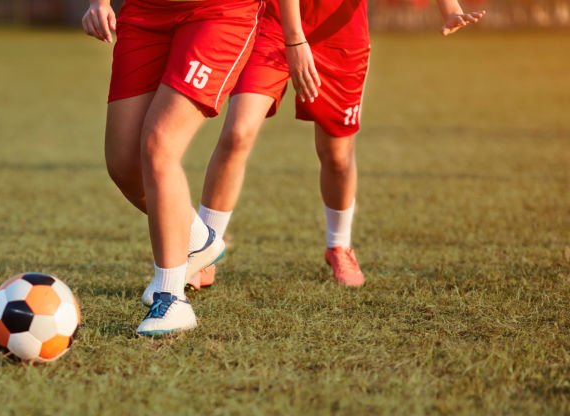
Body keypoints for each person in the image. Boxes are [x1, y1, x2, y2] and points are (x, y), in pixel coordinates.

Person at [196, 0, 485, 288]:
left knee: (337, 157)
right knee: (237, 133)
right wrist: (295, 39)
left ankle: (339, 246)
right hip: (275, 26)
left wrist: (450, 9)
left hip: (340, 35)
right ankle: (203, 253)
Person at [82, 0, 264, 336]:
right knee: (123, 165)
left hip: (219, 13)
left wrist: (295, 39)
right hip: (144, 13)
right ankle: (198, 240)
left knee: (159, 143)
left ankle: (171, 296)